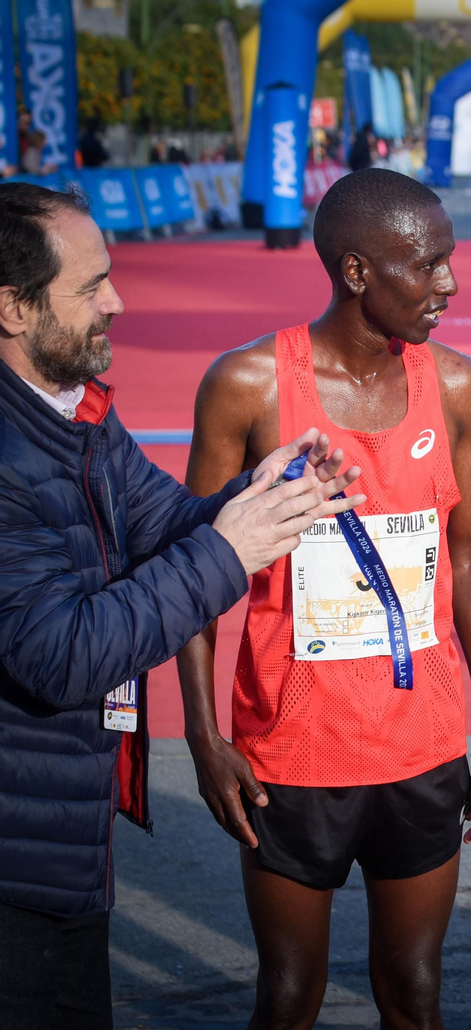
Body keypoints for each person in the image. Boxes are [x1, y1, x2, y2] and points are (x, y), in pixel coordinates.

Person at [0, 181, 360, 1028]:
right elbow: (63, 656)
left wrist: (267, 493)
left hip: (63, 835)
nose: (117, 302)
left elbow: (170, 525)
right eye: (90, 288)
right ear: (13, 309)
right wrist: (231, 547)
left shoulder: (76, 413)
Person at [175, 168, 471, 1030]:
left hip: (424, 745)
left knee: (415, 993)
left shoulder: (460, 387)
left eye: (450, 261)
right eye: (427, 264)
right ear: (357, 271)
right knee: (288, 997)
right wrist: (203, 736)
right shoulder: (248, 385)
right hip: (293, 753)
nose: (450, 284)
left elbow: (469, 551)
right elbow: (193, 570)